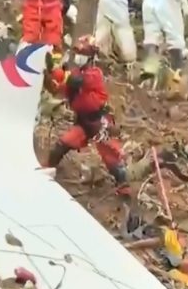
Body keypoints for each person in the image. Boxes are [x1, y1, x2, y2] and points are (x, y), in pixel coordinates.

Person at [42, 35, 133, 204]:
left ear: (90, 56)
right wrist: (49, 73)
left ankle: (125, 190)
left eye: (81, 53)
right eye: (76, 52)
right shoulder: (76, 72)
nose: (78, 56)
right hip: (83, 122)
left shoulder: (94, 74)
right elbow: (59, 85)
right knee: (62, 144)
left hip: (99, 122)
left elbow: (75, 81)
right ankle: (46, 170)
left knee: (113, 159)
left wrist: (59, 71)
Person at [141, 0, 188, 82]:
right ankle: (176, 73)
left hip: (149, 1)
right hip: (168, 0)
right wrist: (185, 5)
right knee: (175, 36)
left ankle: (150, 68)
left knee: (151, 34)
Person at [94, 0, 137, 64]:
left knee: (102, 29)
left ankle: (99, 55)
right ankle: (128, 55)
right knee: (122, 28)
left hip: (103, 0)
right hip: (118, 1)